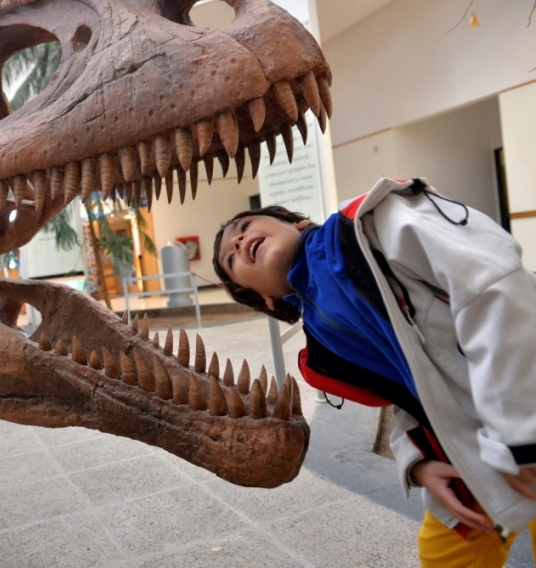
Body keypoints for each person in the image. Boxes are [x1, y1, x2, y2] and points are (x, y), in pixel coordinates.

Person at [213, 177, 536, 567]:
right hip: (474, 457)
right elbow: (411, 389)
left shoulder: (372, 222)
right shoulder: (322, 342)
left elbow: (494, 290)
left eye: (244, 226)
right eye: (231, 259)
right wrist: (416, 461)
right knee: (443, 555)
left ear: (296, 222)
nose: (238, 241)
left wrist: (520, 436)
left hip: (522, 420)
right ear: (265, 299)